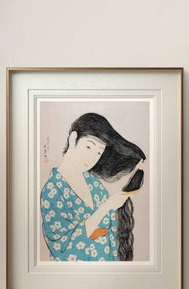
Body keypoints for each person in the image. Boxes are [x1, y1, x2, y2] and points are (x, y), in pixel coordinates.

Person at [40, 112, 145, 261]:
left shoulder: (94, 184)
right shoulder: (52, 190)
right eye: (89, 147)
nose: (91, 158)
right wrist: (107, 206)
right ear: (73, 138)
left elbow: (111, 238)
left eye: (98, 152)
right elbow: (62, 247)